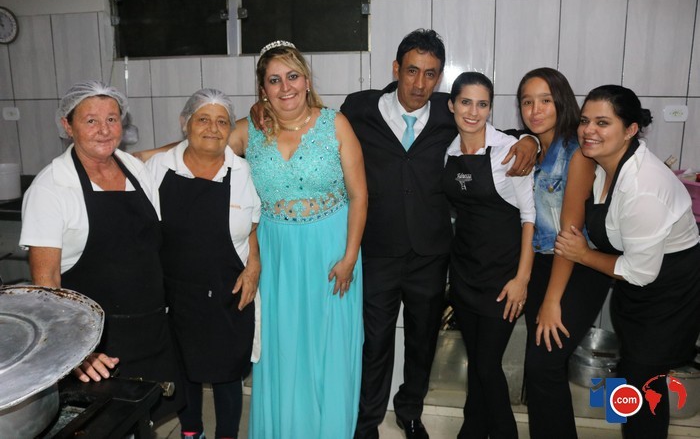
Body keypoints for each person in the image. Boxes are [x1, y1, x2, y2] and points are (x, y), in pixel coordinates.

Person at [340, 28, 539, 439]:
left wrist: (530, 140)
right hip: (377, 250)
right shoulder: (359, 109)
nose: (419, 83)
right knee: (374, 342)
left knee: (422, 340)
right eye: (412, 71)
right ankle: (367, 422)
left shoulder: (451, 114)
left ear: (440, 77)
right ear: (396, 68)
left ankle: (410, 411)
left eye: (430, 74)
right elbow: (316, 127)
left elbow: (496, 134)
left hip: (431, 255)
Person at [19, 80, 183, 420]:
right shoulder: (51, 188)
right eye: (91, 120)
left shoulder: (134, 169)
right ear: (67, 126)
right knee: (109, 425)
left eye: (112, 119)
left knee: (147, 419)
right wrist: (76, 352)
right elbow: (46, 286)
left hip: (151, 330)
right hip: (96, 349)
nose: (104, 130)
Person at [229, 41, 366, 438]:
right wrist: (126, 159)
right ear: (263, 89)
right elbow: (198, 150)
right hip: (277, 257)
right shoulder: (248, 131)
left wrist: (350, 257)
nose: (285, 87)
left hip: (331, 253)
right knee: (283, 350)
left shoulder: (335, 124)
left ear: (306, 81)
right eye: (274, 80)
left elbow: (359, 195)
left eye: (292, 76)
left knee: (329, 351)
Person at [556, 85, 700, 439]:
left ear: (630, 130)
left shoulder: (644, 186)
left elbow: (640, 272)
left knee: (644, 379)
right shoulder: (602, 163)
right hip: (635, 282)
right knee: (631, 373)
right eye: (585, 121)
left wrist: (582, 254)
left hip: (667, 290)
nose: (589, 130)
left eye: (603, 122)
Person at [146, 89, 261, 439]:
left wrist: (254, 265)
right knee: (183, 371)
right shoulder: (158, 168)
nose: (213, 128)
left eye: (222, 121)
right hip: (175, 293)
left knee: (228, 373)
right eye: (203, 119)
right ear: (185, 123)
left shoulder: (243, 172)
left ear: (230, 130)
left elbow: (254, 226)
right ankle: (190, 432)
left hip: (229, 289)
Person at [516, 68, 612, 439]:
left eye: (545, 100)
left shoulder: (577, 153)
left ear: (561, 102)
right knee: (541, 369)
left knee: (544, 366)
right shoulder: (534, 150)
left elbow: (570, 234)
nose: (535, 110)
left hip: (577, 268)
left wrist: (552, 301)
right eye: (527, 102)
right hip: (543, 263)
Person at [443, 72, 535, 438]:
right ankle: (472, 429)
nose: (473, 112)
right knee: (478, 363)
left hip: (503, 277)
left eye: (482, 104)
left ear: (491, 109)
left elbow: (529, 218)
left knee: (486, 365)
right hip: (465, 273)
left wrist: (522, 280)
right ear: (451, 105)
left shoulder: (509, 151)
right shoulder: (449, 152)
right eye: (466, 102)